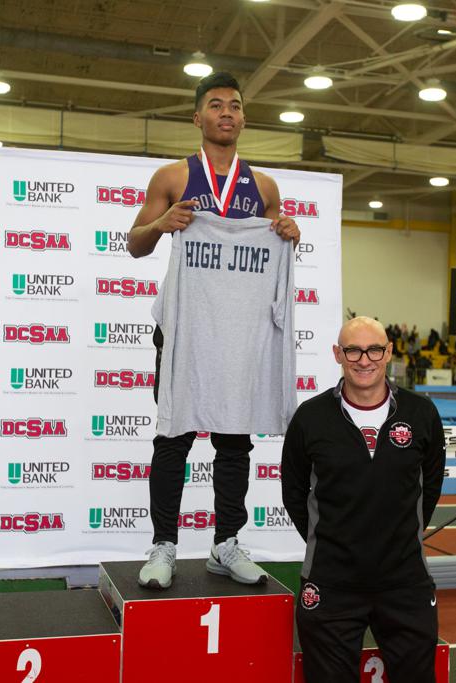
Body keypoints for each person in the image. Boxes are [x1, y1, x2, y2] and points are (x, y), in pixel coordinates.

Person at [126, 72, 300, 589]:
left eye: (235, 106)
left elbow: (273, 253)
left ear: (243, 119)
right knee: (173, 437)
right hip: (182, 327)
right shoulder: (173, 178)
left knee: (234, 439)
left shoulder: (264, 187)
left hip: (238, 334)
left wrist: (290, 233)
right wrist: (161, 225)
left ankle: (226, 543)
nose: (226, 112)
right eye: (216, 105)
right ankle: (164, 545)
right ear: (197, 117)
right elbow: (134, 244)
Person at [282, 317, 445, 682]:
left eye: (374, 349)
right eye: (353, 350)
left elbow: (429, 487)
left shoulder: (421, 414)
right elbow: (293, 490)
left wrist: (401, 534)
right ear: (338, 354)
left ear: (388, 352)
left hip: (405, 583)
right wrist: (332, 540)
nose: (364, 360)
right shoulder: (311, 417)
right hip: (331, 584)